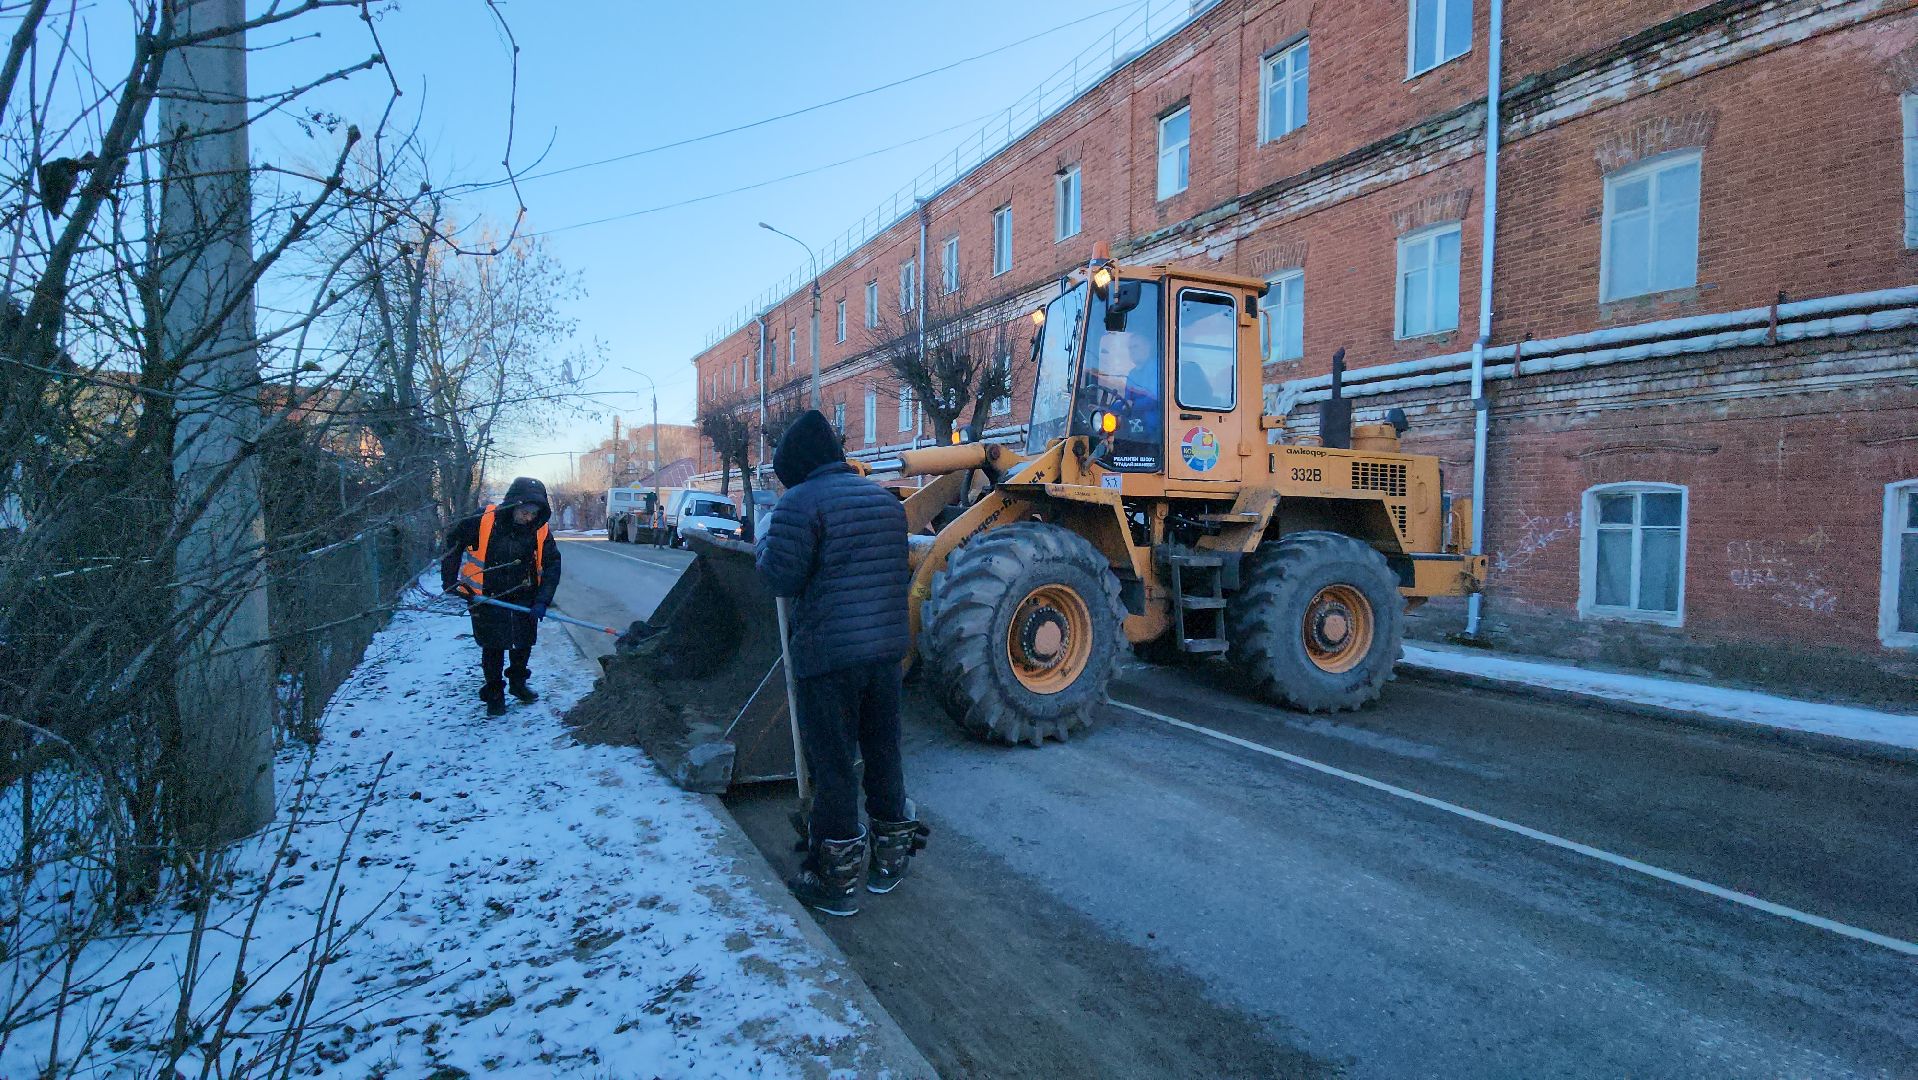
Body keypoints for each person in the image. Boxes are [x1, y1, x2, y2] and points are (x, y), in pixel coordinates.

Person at [755, 410, 926, 916]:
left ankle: (836, 880)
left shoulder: (798, 503)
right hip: (885, 653)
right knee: (883, 752)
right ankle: (890, 861)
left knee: (832, 766)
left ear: (799, 466)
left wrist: (766, 542)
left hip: (828, 658)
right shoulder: (885, 501)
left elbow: (780, 579)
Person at [440, 477, 562, 717]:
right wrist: (449, 581)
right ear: (513, 505)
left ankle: (518, 684)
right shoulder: (482, 520)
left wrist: (542, 600)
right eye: (525, 512)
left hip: (525, 597)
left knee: (522, 644)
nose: (529, 517)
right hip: (486, 597)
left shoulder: (540, 530)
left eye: (534, 513)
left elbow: (552, 565)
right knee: (493, 648)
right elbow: (453, 546)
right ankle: (495, 694)